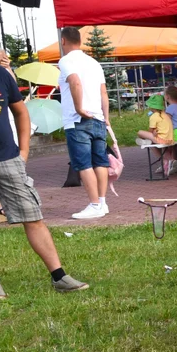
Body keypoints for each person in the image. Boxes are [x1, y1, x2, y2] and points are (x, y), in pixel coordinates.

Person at [0, 20, 89, 299]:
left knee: (32, 214)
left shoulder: (0, 76)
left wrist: (24, 152)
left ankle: (59, 276)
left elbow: (21, 112)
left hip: (8, 158)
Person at [57, 26, 111, 220]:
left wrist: (79, 108)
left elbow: (74, 81)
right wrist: (106, 117)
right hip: (97, 117)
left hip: (77, 119)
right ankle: (102, 202)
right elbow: (103, 92)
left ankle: (94, 204)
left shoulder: (66, 60)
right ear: (79, 41)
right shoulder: (94, 62)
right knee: (100, 161)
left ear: (63, 41)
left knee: (83, 163)